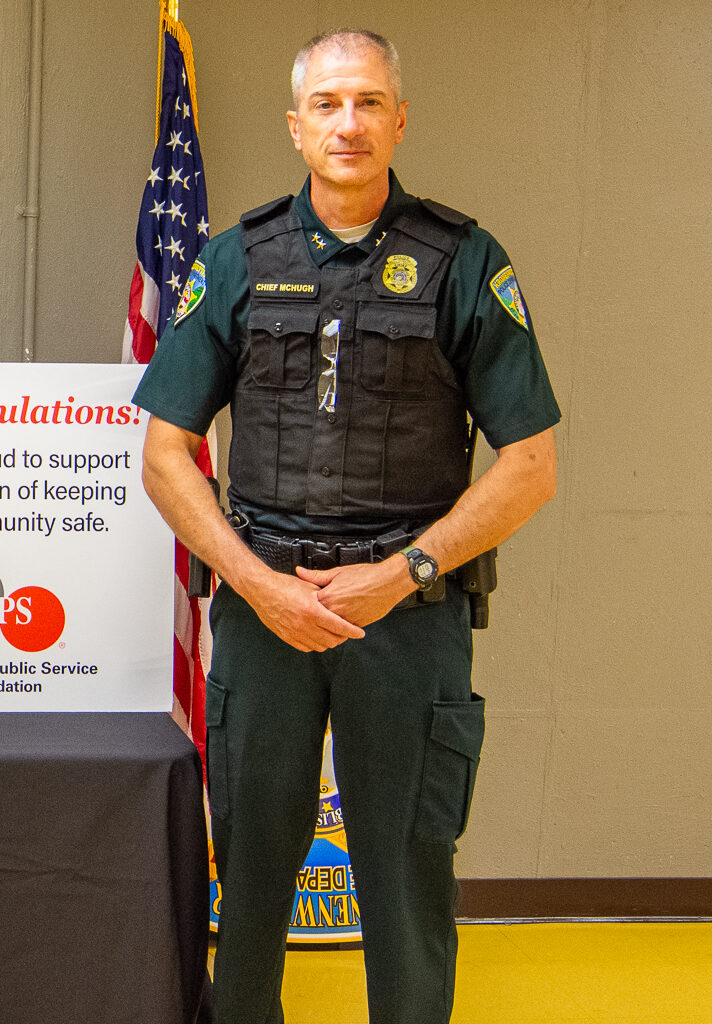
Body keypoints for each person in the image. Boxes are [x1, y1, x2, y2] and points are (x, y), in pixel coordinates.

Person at [133, 30, 558, 1024]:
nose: (347, 122)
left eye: (367, 102)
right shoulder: (234, 260)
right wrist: (257, 584)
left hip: (404, 622)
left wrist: (402, 571)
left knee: (407, 872)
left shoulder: (463, 260)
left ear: (398, 118)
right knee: (246, 870)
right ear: (294, 126)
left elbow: (528, 465)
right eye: (326, 103)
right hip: (262, 614)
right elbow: (163, 455)